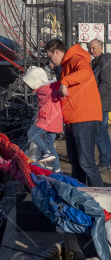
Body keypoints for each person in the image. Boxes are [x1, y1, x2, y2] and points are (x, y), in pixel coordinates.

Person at [45, 38, 103, 187]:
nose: (50, 60)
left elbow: (85, 72)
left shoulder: (75, 59)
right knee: (75, 162)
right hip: (74, 119)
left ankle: (102, 199)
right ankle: (80, 193)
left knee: (86, 162)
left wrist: (65, 82)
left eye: (50, 56)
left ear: (56, 52)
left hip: (85, 118)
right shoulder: (65, 66)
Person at [23, 66, 62, 172]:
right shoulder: (44, 89)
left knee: (32, 133)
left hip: (48, 120)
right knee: (50, 144)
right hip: (53, 121)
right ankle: (57, 169)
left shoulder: (49, 89)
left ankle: (45, 152)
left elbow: (58, 93)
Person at [89, 39, 111, 171]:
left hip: (101, 103)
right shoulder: (98, 61)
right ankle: (106, 159)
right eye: (90, 48)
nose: (91, 51)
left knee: (98, 132)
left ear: (101, 48)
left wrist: (94, 98)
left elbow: (106, 83)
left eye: (94, 48)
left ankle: (105, 161)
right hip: (101, 102)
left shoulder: (105, 62)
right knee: (102, 132)